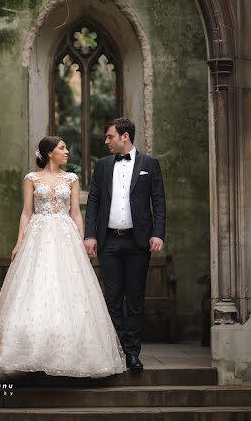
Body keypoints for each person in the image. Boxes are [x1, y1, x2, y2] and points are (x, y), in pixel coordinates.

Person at [0, 136, 125, 377]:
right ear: (49, 153)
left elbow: (76, 212)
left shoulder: (71, 179)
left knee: (70, 290)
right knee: (36, 286)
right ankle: (29, 352)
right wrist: (18, 242)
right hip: (38, 234)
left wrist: (81, 241)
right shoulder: (32, 179)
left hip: (65, 236)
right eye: (62, 148)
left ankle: (71, 354)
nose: (67, 152)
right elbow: (26, 213)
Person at [84, 118, 166, 372]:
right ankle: (117, 350)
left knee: (135, 299)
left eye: (110, 137)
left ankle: (133, 353)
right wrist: (90, 235)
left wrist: (158, 234)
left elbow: (159, 201)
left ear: (125, 137)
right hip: (109, 241)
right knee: (112, 298)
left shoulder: (150, 164)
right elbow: (94, 202)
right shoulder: (102, 165)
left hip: (138, 241)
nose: (106, 141)